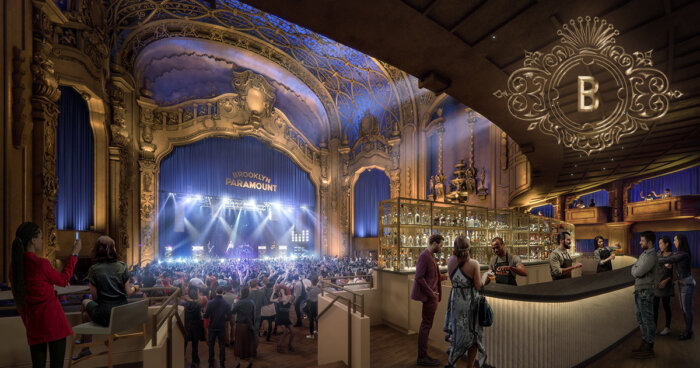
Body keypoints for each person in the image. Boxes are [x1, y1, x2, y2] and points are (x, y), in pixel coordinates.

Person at [11, 222, 81, 368]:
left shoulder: (15, 268)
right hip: (53, 321)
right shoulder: (40, 264)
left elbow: (20, 299)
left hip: (34, 323)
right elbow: (63, 280)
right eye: (41, 238)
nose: (42, 241)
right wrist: (74, 254)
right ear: (33, 240)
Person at [75, 236, 137, 359]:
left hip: (106, 314)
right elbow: (128, 292)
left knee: (84, 302)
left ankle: (84, 344)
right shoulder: (122, 266)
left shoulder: (93, 269)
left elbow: (95, 297)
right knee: (86, 316)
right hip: (122, 313)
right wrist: (137, 288)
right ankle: (84, 348)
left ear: (97, 250)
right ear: (113, 249)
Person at [443, 236, 486, 368]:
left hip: (455, 301)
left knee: (458, 335)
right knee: (473, 337)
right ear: (469, 247)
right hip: (469, 303)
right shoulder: (473, 264)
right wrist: (486, 277)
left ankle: (453, 363)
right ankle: (469, 366)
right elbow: (479, 286)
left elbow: (454, 281)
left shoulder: (450, 261)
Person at [410, 233, 446, 366]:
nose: (441, 248)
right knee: (426, 326)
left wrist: (444, 277)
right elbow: (419, 277)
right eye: (441, 245)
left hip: (432, 296)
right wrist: (431, 293)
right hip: (430, 297)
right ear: (435, 244)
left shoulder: (429, 256)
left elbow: (431, 276)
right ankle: (422, 357)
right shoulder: (424, 256)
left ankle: (423, 355)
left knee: (426, 325)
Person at [658, 234, 695, 340]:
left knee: (686, 310)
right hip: (682, 283)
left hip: (686, 284)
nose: (674, 242)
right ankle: (688, 330)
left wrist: (654, 260)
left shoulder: (683, 254)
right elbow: (674, 263)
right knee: (684, 309)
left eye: (675, 240)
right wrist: (671, 265)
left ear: (680, 241)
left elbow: (666, 260)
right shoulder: (680, 253)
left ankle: (688, 332)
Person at [631, 231, 659, 359]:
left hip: (646, 291)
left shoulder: (651, 256)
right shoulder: (644, 254)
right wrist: (636, 269)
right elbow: (634, 269)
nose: (640, 242)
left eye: (642, 241)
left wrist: (636, 270)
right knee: (640, 318)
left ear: (649, 242)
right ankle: (645, 341)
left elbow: (638, 272)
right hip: (639, 290)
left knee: (648, 319)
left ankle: (650, 345)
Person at [205, 287, 231, 368]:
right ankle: (222, 363)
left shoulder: (210, 302)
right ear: (223, 292)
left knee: (211, 345)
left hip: (212, 326)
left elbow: (206, 315)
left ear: (216, 291)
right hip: (221, 327)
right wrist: (224, 319)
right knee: (222, 345)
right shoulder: (226, 303)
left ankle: (211, 362)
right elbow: (229, 317)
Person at [654, 236, 674, 337]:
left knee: (666, 306)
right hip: (656, 285)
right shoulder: (657, 254)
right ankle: (654, 328)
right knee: (655, 307)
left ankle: (667, 327)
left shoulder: (673, 256)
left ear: (667, 244)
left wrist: (666, 281)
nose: (659, 245)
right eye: (659, 243)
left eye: (661, 243)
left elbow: (675, 273)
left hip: (666, 285)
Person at [232, 286, 255, 368]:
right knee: (249, 344)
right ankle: (251, 362)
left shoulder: (239, 302)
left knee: (239, 344)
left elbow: (232, 311)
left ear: (242, 293)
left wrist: (234, 303)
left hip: (240, 325)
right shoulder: (251, 302)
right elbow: (253, 315)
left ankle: (238, 363)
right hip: (249, 325)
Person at [183, 287, 205, 368]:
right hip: (195, 327)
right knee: (195, 345)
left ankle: (182, 358)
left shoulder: (185, 305)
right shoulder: (198, 306)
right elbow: (199, 319)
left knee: (184, 344)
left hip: (187, 327)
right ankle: (194, 361)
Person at [271, 287, 294, 352]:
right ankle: (279, 345)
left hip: (286, 318)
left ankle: (289, 344)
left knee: (293, 332)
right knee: (285, 331)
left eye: (282, 290)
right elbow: (271, 300)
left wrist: (289, 297)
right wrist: (273, 292)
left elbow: (288, 302)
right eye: (280, 291)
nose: (280, 292)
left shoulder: (288, 298)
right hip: (280, 318)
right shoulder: (279, 299)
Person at [248, 279, 267, 355]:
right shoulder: (261, 293)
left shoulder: (248, 293)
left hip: (249, 315)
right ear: (256, 285)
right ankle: (254, 350)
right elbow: (265, 303)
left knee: (248, 332)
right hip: (258, 314)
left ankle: (248, 349)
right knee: (256, 333)